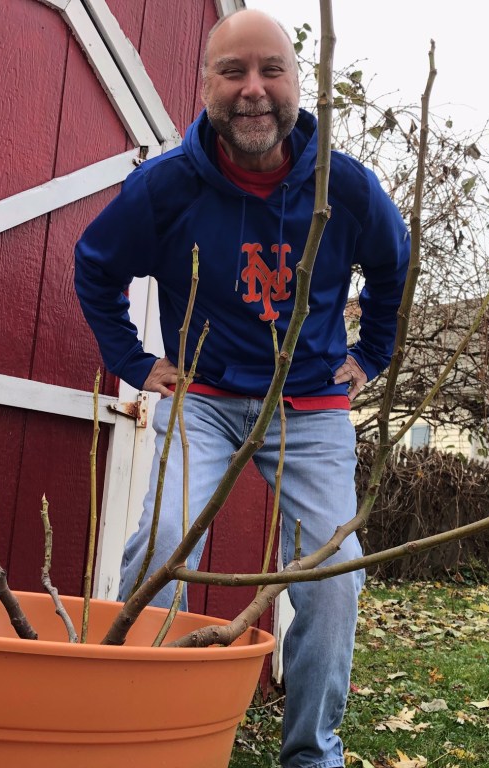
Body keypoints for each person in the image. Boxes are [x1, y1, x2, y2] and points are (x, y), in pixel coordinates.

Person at [74, 9, 408, 768]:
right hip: (206, 399)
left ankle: (311, 754)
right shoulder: (165, 189)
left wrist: (372, 354)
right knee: (162, 543)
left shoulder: (346, 188)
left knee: (333, 575)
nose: (253, 89)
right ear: (205, 87)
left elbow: (395, 266)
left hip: (310, 406)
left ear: (297, 84)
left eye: (270, 70)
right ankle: (146, 737)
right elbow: (95, 266)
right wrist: (134, 360)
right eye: (233, 72)